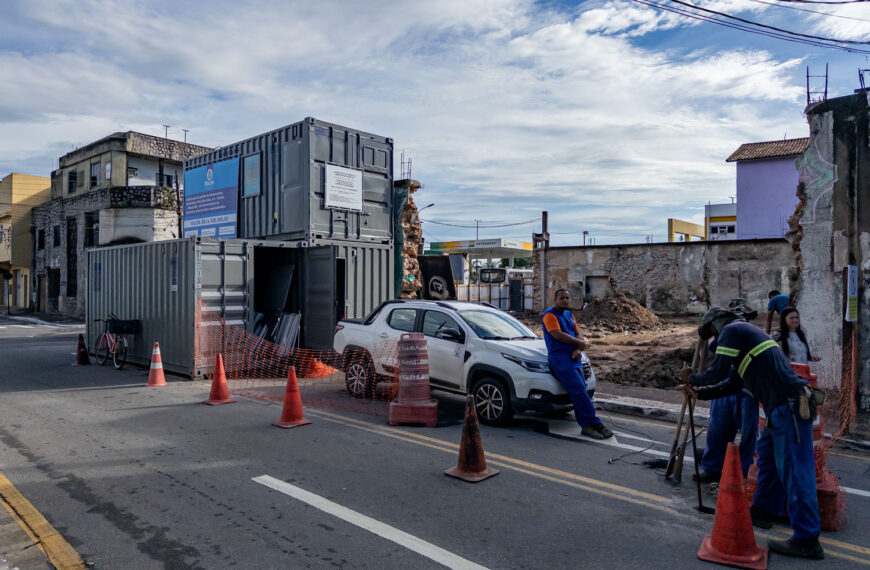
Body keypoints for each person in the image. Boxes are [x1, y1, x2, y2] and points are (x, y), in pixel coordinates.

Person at [680, 307, 823, 560]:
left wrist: (694, 378)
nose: (716, 342)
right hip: (776, 407)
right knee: (766, 459)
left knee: (795, 471)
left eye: (713, 336)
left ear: (717, 325)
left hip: (789, 405)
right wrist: (699, 393)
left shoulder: (733, 330)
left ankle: (807, 538)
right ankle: (764, 510)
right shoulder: (746, 342)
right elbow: (730, 383)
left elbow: (718, 371)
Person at [542, 289, 613, 440]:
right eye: (562, 298)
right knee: (579, 390)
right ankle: (592, 424)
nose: (565, 301)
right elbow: (558, 335)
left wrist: (579, 348)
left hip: (574, 357)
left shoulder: (569, 315)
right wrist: (580, 343)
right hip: (560, 358)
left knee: (582, 391)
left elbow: (577, 332)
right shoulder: (549, 315)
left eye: (567, 298)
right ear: (555, 299)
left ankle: (589, 424)